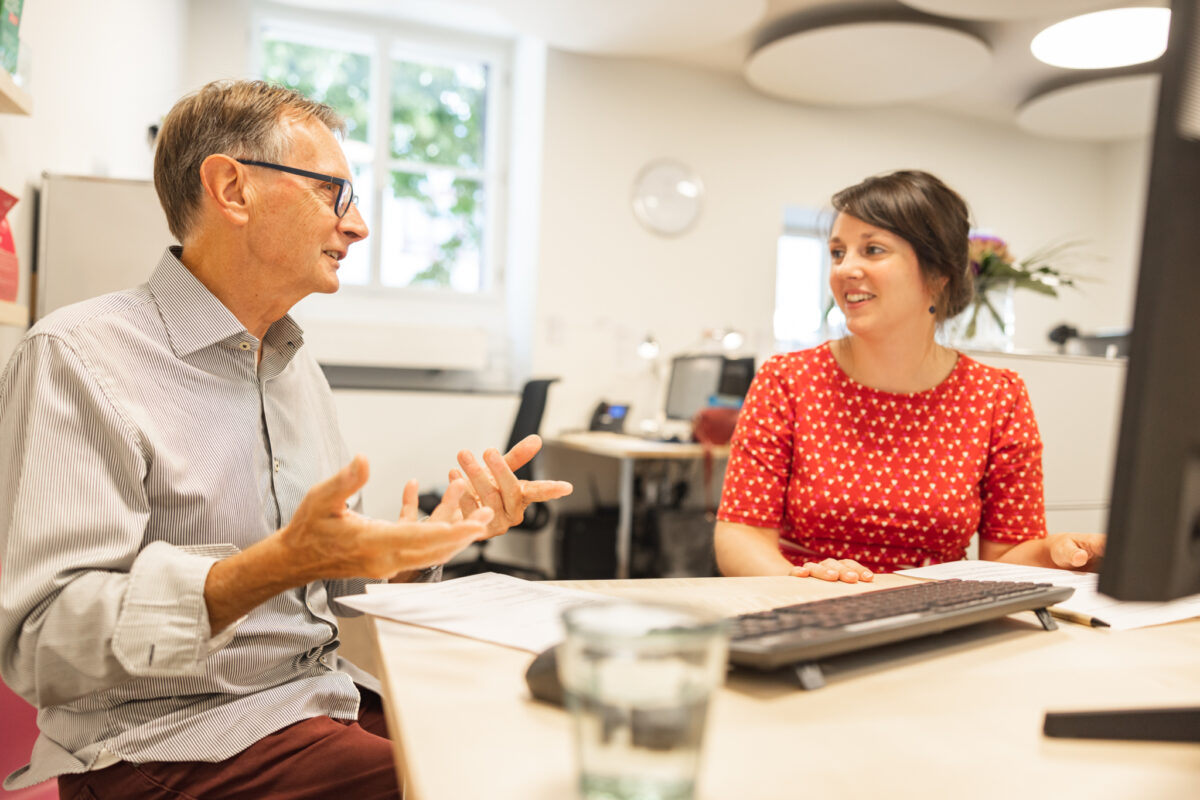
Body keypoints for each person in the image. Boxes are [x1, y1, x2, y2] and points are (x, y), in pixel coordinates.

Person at [0, 80, 572, 799]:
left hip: (317, 698)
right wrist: (267, 567)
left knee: (541, 735)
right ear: (231, 189)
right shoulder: (76, 357)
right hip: (164, 745)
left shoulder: (296, 368)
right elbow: (42, 645)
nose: (358, 225)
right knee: (490, 782)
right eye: (335, 193)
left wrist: (424, 544)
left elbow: (320, 584)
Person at [714, 170, 1104, 583]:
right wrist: (803, 584)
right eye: (837, 252)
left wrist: (1057, 554)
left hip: (935, 619)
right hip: (804, 613)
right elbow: (741, 534)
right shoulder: (786, 381)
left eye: (873, 250)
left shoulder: (997, 397)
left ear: (938, 275)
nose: (845, 269)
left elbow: (1005, 554)